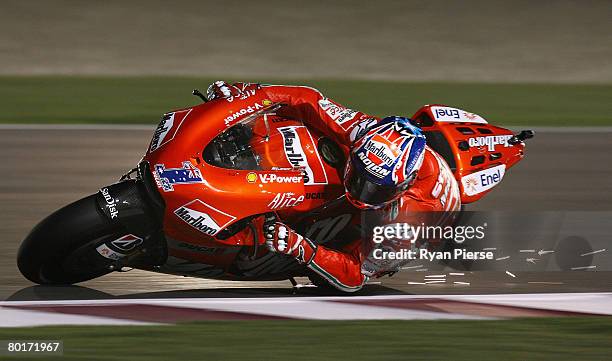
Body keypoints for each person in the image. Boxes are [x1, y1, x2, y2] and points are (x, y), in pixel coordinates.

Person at [206, 81, 461, 292]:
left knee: (327, 264)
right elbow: (307, 99)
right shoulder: (365, 130)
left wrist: (300, 247)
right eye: (361, 176)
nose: (362, 191)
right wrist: (248, 98)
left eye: (375, 188)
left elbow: (354, 277)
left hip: (416, 227)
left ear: (404, 184)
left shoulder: (406, 223)